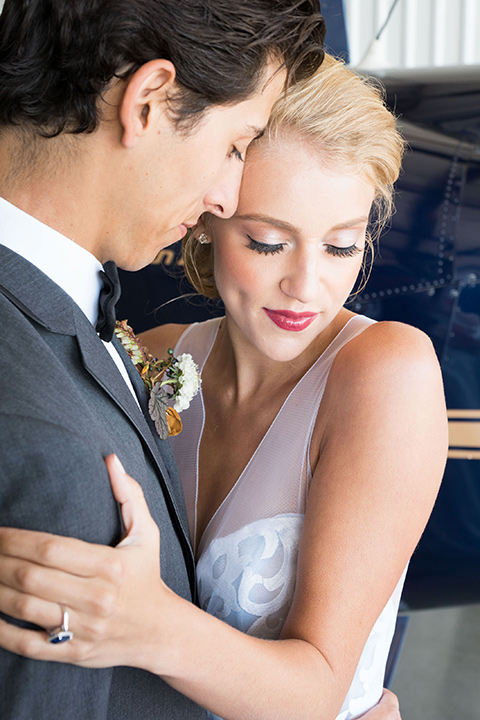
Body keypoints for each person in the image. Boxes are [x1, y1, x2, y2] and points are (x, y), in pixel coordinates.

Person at [0, 53, 447, 720]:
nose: (306, 286)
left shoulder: (387, 373)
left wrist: (145, 624)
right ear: (208, 215)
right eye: (267, 242)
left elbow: (314, 692)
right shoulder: (150, 356)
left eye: (342, 246)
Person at [0, 1, 327, 718]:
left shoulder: (62, 310)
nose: (225, 199)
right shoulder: (45, 447)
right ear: (148, 101)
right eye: (237, 144)